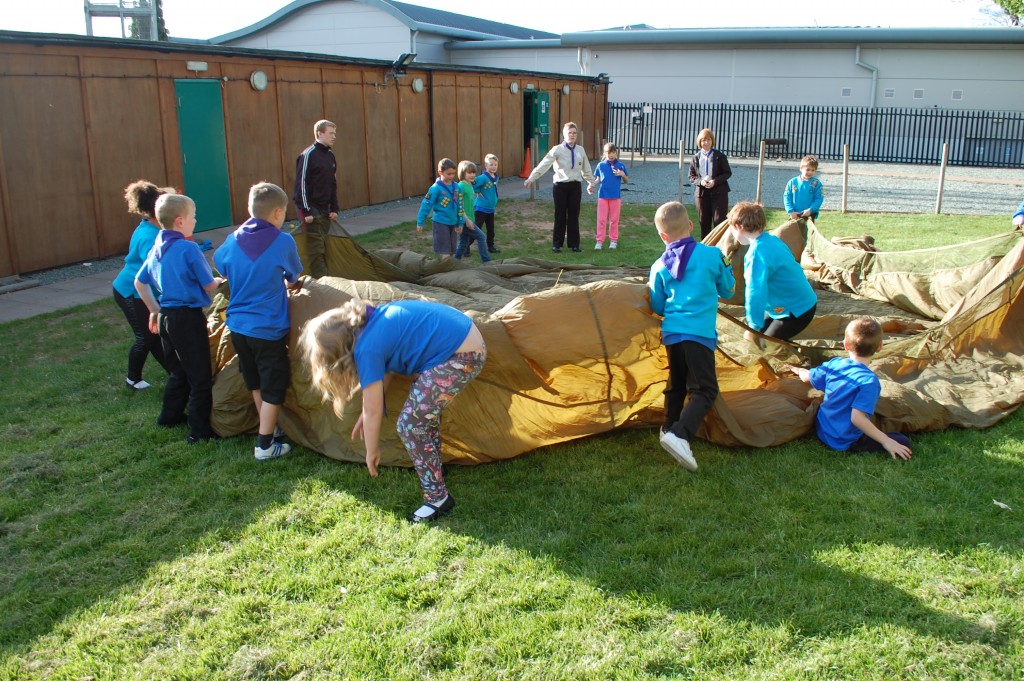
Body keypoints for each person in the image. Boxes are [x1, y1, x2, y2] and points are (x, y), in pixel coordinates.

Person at [299, 298, 487, 523]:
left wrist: (371, 451)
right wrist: (366, 412)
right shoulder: (371, 324)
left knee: (410, 424)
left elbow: (373, 410)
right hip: (464, 342)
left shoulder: (367, 348)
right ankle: (434, 469)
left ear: (338, 354)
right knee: (421, 416)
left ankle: (438, 498)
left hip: (461, 355)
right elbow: (384, 374)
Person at [214, 182, 303, 461]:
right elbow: (293, 278)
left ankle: (271, 430)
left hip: (238, 326)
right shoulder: (283, 241)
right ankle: (264, 446)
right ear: (277, 213)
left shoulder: (232, 239)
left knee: (255, 382)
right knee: (274, 386)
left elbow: (221, 265)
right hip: (268, 329)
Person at [648, 201, 735, 471]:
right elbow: (729, 289)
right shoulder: (712, 255)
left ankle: (668, 427)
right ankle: (680, 434)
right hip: (699, 334)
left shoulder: (658, 265)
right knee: (706, 390)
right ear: (690, 225)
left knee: (677, 384)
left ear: (663, 236)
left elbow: (657, 305)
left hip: (673, 333)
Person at [134, 194, 225, 444]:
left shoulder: (156, 248)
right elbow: (208, 285)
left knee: (179, 371)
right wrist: (218, 281)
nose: (196, 221)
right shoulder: (188, 248)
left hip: (166, 318)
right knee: (199, 376)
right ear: (180, 221)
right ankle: (199, 431)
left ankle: (169, 416)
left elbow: (139, 283)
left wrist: (154, 309)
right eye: (193, 217)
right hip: (187, 319)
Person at [787, 317, 912, 461]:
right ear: (880, 347)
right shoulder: (869, 381)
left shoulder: (834, 364)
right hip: (844, 440)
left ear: (845, 345)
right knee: (901, 440)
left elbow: (807, 377)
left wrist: (797, 370)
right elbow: (857, 419)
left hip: (823, 428)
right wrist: (886, 441)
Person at [727, 201, 817, 342]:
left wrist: (753, 326)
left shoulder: (757, 254)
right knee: (761, 333)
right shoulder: (772, 240)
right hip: (802, 302)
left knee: (766, 343)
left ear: (738, 227)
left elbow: (755, 292)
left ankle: (796, 357)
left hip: (796, 311)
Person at [112, 180, 171, 390]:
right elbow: (154, 272)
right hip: (130, 291)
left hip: (141, 291)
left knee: (155, 334)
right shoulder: (150, 236)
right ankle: (133, 379)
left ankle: (175, 373)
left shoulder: (149, 225)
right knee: (146, 336)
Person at [524, 122, 596, 253]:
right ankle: (557, 244)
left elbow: (586, 169)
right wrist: (531, 178)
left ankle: (574, 244)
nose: (572, 135)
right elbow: (544, 164)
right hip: (560, 186)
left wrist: (591, 183)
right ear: (564, 134)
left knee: (574, 216)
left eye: (574, 133)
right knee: (560, 215)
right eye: (569, 133)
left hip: (575, 186)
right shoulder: (557, 149)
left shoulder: (580, 150)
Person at [293, 119, 339, 279]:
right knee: (315, 247)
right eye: (331, 133)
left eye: (335, 133)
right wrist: (306, 211)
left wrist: (334, 208)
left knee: (324, 244)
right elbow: (301, 185)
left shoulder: (330, 156)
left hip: (325, 208)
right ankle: (321, 281)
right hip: (310, 209)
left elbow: (333, 184)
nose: (334, 136)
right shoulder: (307, 155)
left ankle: (325, 276)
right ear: (320, 133)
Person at [417, 158, 472, 260]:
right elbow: (426, 204)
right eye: (448, 174)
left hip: (453, 222)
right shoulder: (435, 188)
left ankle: (447, 270)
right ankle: (446, 272)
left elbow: (460, 205)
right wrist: (420, 221)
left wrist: (460, 222)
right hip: (440, 222)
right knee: (446, 252)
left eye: (453, 174)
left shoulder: (456, 187)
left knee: (451, 250)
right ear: (440, 172)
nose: (451, 176)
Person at [687, 128, 732, 240]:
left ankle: (719, 247)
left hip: (719, 192)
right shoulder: (695, 158)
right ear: (699, 142)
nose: (706, 143)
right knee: (704, 222)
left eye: (708, 140)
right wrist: (701, 181)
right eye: (703, 140)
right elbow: (691, 176)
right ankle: (705, 246)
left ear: (712, 141)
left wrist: (714, 181)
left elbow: (727, 173)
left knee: (719, 221)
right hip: (702, 193)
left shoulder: (720, 156)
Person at [589, 142, 629, 250]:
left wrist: (622, 174)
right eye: (609, 153)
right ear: (604, 153)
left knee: (614, 220)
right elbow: (597, 179)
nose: (611, 155)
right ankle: (599, 241)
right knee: (601, 219)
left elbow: (626, 180)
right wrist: (591, 185)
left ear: (616, 153)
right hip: (602, 196)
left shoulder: (620, 165)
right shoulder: (601, 165)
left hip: (615, 197)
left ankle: (613, 240)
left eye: (613, 152)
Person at [453, 160, 491, 263]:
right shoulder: (460, 186)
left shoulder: (470, 185)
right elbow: (458, 205)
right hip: (464, 220)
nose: (472, 175)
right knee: (481, 237)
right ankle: (486, 261)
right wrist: (467, 220)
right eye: (469, 173)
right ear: (462, 173)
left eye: (474, 172)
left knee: (463, 243)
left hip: (470, 218)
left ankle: (454, 261)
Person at [783, 155, 825, 221]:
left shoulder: (817, 184)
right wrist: (790, 211)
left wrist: (811, 210)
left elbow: (819, 199)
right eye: (807, 170)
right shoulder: (792, 182)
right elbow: (787, 197)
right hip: (794, 214)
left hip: (809, 215)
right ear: (801, 168)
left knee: (806, 231)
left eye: (813, 170)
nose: (810, 172)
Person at [474, 153, 501, 253]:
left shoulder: (496, 177)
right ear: (486, 166)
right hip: (481, 208)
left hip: (490, 208)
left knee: (491, 229)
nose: (493, 167)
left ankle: (491, 246)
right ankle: (466, 246)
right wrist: (477, 191)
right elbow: (472, 183)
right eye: (491, 164)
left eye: (495, 165)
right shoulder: (483, 177)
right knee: (476, 228)